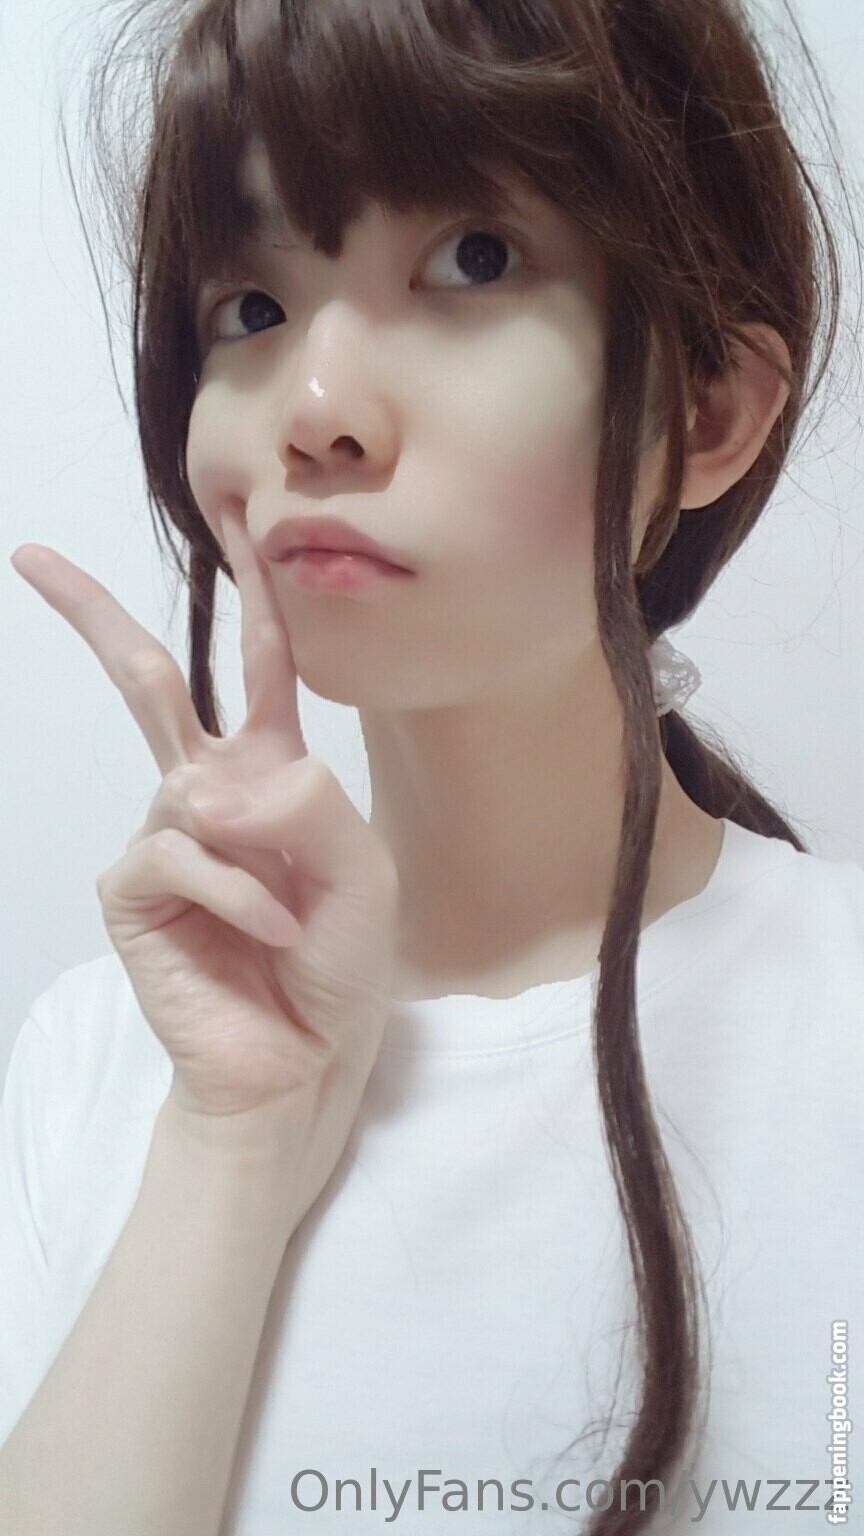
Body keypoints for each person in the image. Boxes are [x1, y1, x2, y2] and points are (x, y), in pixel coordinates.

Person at [1, 0, 862, 1532]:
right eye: (249, 308)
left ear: (709, 408)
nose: (314, 414)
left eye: (473, 259)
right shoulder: (97, 1065)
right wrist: (231, 1140)